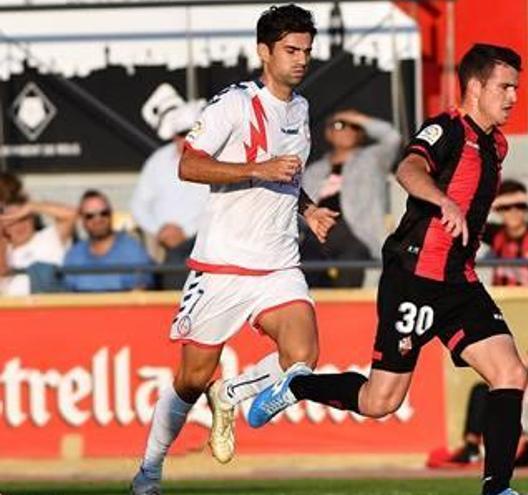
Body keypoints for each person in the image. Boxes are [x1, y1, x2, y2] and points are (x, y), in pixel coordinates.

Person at [248, 43, 528, 495]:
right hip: (414, 277)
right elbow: (408, 169)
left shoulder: (496, 143)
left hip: (458, 281)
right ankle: (299, 387)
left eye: (516, 86)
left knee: (510, 373)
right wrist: (443, 201)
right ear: (475, 87)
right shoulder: (448, 128)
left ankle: (497, 488)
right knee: (380, 401)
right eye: (505, 86)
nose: (513, 96)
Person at [131, 5, 339, 494]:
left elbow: (289, 175)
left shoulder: (302, 109)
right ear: (264, 52)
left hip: (278, 262)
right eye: (291, 50)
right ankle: (149, 469)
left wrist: (306, 209)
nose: (301, 60)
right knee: (189, 378)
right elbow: (189, 165)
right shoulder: (234, 104)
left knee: (303, 355)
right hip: (222, 264)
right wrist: (256, 169)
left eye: (307, 51)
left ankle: (231, 393)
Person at [428, 336, 528, 468]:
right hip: (521, 441)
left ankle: (498, 455)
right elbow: (503, 380)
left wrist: (525, 440)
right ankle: (473, 449)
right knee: (483, 390)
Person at [301, 109, 401, 287]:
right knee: (304, 258)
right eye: (340, 125)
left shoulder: (372, 159)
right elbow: (300, 208)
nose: (347, 130)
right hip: (318, 229)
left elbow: (392, 137)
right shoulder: (314, 171)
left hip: (356, 231)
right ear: (328, 133)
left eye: (354, 127)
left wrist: (357, 118)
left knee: (352, 256)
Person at [131, 101, 210, 290]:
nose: (187, 138)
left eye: (192, 132)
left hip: (200, 238)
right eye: (182, 134)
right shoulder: (158, 160)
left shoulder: (216, 161)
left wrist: (186, 232)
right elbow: (138, 205)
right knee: (132, 251)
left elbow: (218, 207)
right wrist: (160, 230)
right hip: (157, 237)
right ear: (174, 136)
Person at [63, 190, 154, 292]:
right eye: (90, 216)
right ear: (82, 220)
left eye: (103, 213)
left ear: (111, 214)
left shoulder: (132, 250)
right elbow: (68, 295)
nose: (98, 219)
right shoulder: (74, 255)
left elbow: (140, 292)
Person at [0, 195, 77, 295]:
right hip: (13, 308)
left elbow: (71, 214)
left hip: (46, 305)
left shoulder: (48, 237)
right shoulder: (4, 248)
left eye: (23, 218)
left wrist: (32, 207)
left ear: (32, 220)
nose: (20, 225)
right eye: (12, 222)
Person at [483, 180, 528, 287]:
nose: (514, 212)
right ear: (498, 209)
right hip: (499, 299)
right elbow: (468, 220)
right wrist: (493, 203)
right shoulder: (494, 233)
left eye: (520, 206)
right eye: (506, 207)